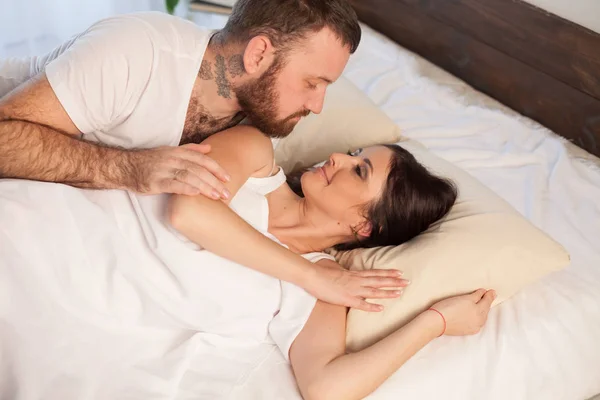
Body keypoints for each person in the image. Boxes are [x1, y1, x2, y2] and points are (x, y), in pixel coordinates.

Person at [0, 1, 402, 312]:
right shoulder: (138, 53)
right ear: (258, 54)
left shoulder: (258, 120)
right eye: (312, 82)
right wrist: (130, 168)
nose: (317, 106)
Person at [165, 125, 496, 399]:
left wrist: (433, 323)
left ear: (365, 225)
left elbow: (326, 390)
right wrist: (306, 275)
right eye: (354, 155)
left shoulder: (331, 286)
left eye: (359, 170)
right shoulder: (252, 153)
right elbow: (188, 211)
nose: (338, 157)